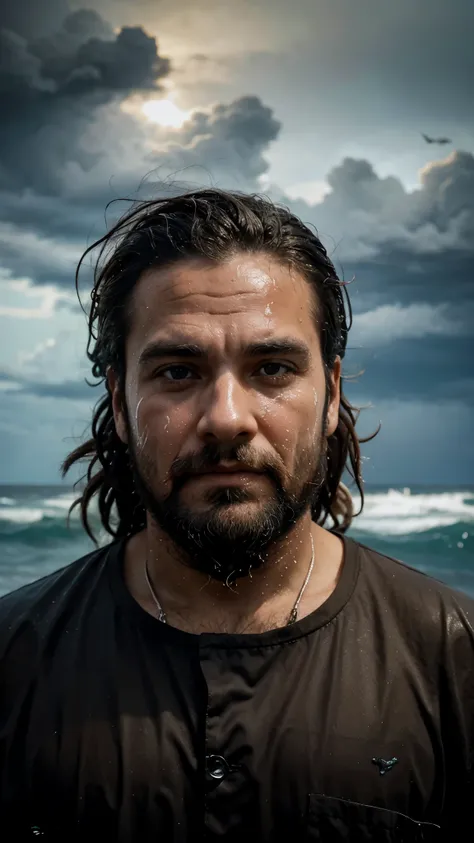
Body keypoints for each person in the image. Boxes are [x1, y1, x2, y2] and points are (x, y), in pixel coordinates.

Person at [0, 188, 472, 842]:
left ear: (331, 393)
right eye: (177, 371)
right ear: (120, 397)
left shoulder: (455, 657)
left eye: (272, 367)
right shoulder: (14, 658)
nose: (226, 417)